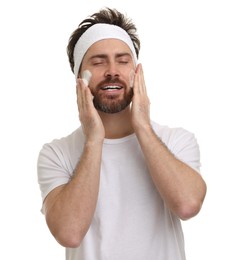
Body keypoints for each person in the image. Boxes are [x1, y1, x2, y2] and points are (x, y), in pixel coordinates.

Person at [37, 7, 207, 260]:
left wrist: (143, 127)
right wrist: (94, 139)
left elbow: (188, 205)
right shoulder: (56, 153)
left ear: (136, 72)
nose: (112, 70)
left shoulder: (177, 141)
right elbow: (69, 232)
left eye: (123, 60)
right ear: (78, 77)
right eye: (98, 61)